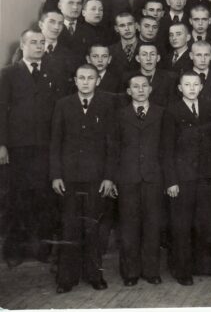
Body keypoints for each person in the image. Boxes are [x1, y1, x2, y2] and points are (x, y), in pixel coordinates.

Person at [0, 30, 70, 268]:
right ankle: (14, 250)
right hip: (18, 147)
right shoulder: (8, 73)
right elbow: (1, 110)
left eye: (42, 42)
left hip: (45, 146)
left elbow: (59, 110)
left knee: (44, 198)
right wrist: (2, 144)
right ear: (22, 45)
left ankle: (42, 249)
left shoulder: (53, 72)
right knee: (16, 197)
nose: (39, 46)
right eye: (33, 42)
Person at [50, 64, 117, 294]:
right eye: (82, 78)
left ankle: (94, 275)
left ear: (97, 81)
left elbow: (112, 145)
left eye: (90, 78)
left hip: (96, 178)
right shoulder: (63, 104)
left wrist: (109, 177)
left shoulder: (107, 105)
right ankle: (66, 278)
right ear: (75, 80)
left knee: (93, 227)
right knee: (69, 227)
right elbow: (55, 142)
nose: (86, 82)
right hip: (69, 178)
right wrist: (56, 175)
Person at [163, 71, 211, 285]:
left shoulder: (209, 109)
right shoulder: (172, 111)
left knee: (205, 223)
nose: (191, 88)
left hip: (205, 176)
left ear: (201, 87)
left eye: (195, 84)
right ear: (180, 88)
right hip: (182, 178)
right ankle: (182, 270)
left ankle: (204, 266)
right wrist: (171, 181)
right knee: (182, 226)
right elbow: (166, 149)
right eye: (187, 85)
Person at [114, 74, 164, 286]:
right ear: (129, 91)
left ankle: (151, 271)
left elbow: (166, 148)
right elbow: (114, 149)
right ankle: (130, 272)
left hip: (153, 178)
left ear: (150, 89)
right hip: (128, 178)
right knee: (129, 226)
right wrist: (114, 178)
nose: (141, 90)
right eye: (136, 86)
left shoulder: (161, 113)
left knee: (152, 225)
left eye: (144, 86)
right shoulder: (119, 115)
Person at [127, 42, 178, 108]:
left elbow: (173, 105)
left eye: (152, 54)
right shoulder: (128, 78)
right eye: (144, 55)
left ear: (158, 58)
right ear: (138, 58)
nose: (148, 58)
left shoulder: (170, 78)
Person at [108, 12, 140, 77]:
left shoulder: (148, 47)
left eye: (130, 24)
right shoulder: (109, 51)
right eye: (122, 25)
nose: (127, 29)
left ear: (136, 25)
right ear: (116, 29)